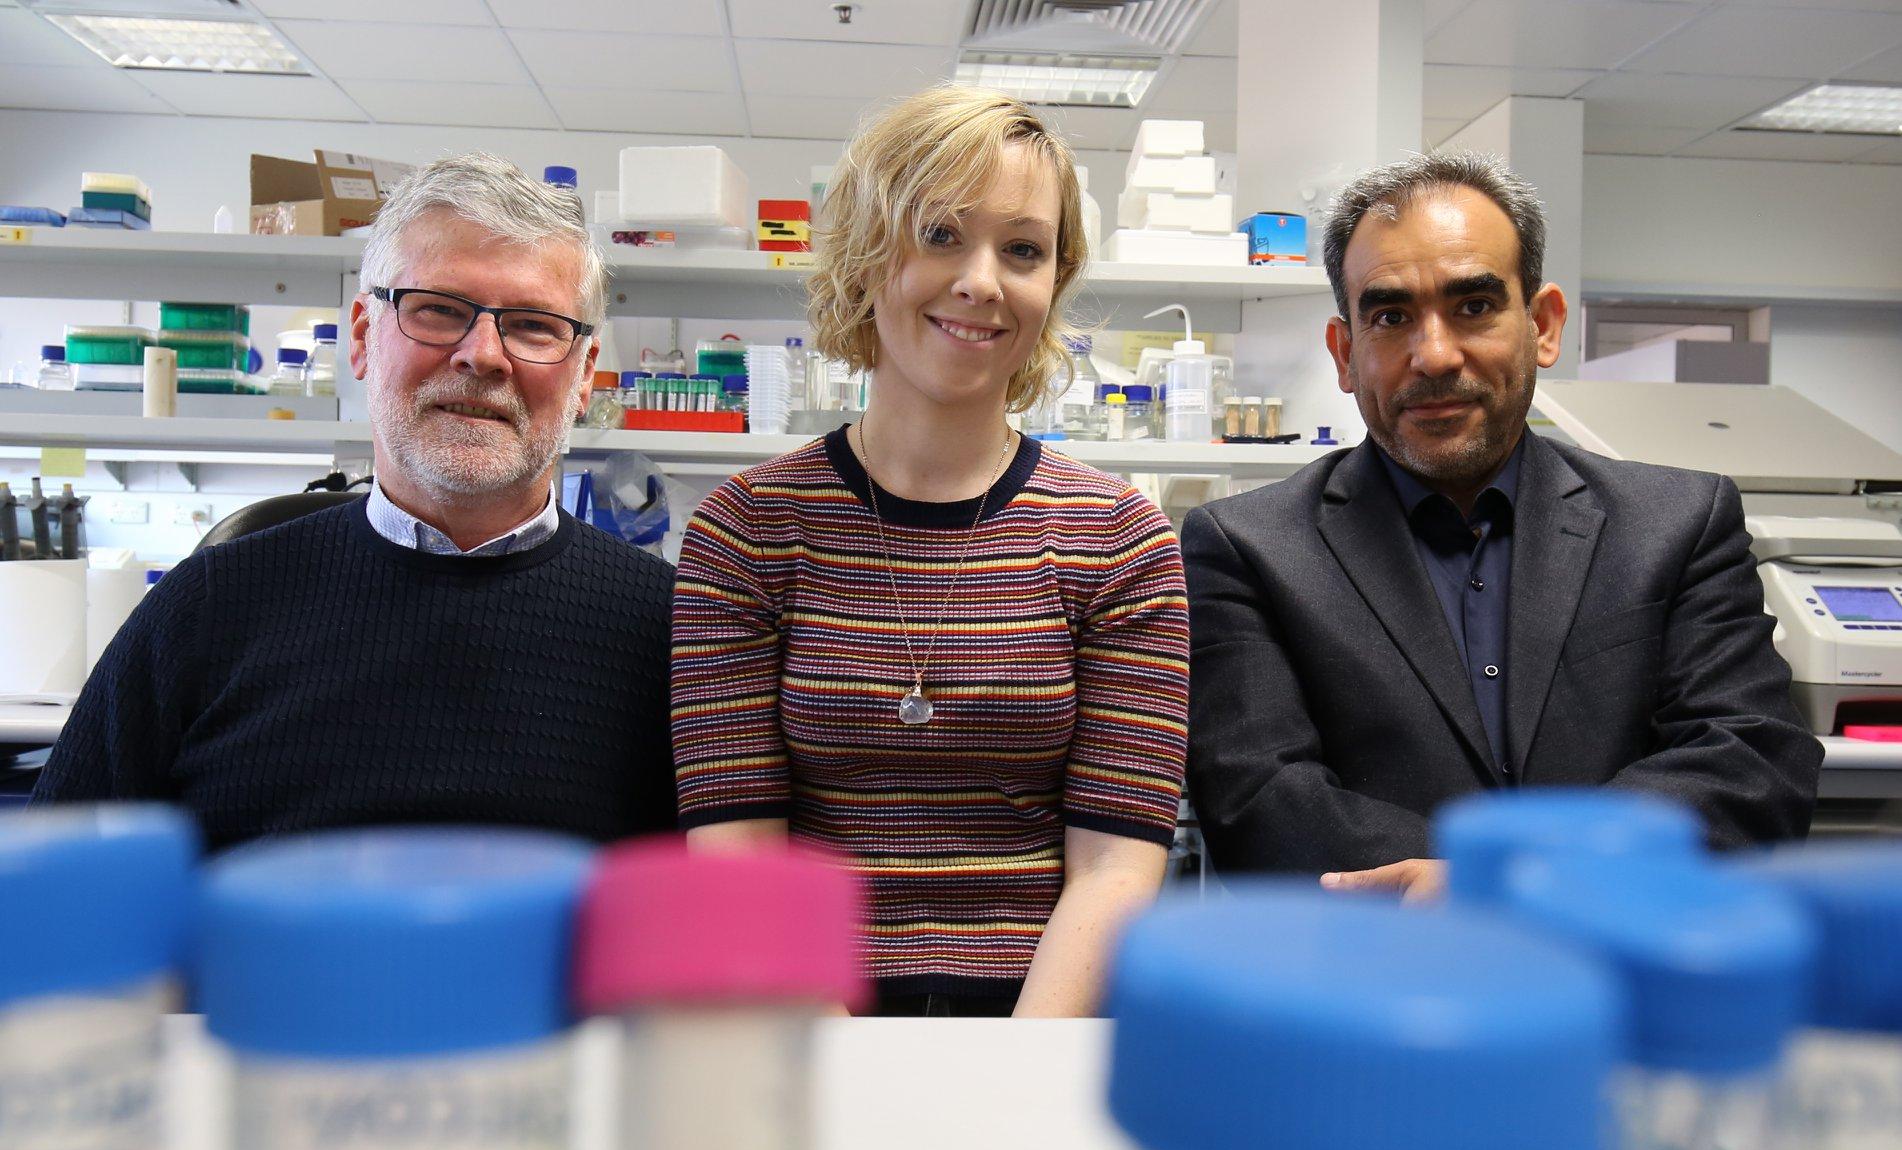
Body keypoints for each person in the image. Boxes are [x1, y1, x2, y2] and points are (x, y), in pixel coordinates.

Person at [670, 86, 1189, 1017]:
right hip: (804, 1022)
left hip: (1044, 1025)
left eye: (1023, 250)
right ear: (870, 257)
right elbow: (739, 854)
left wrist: (1007, 1082)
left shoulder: (1118, 538)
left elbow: (1116, 866)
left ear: (1054, 282)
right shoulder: (746, 532)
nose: (983, 280)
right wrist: (848, 1076)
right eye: (941, 233)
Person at [1183, 151, 1819, 897]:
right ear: (1346, 351)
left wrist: (1510, 884)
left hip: (1624, 983)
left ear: (1543, 324)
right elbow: (1257, 798)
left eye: (1474, 305)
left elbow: (1749, 757)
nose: (1435, 354)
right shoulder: (1248, 548)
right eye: (1390, 316)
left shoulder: (1678, 524)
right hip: (1371, 985)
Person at [33, 151, 678, 851]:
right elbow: (52, 895)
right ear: (364, 338)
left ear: (585, 375)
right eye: (439, 310)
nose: (483, 355)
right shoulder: (208, 607)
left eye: (532, 325)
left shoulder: (674, 630)